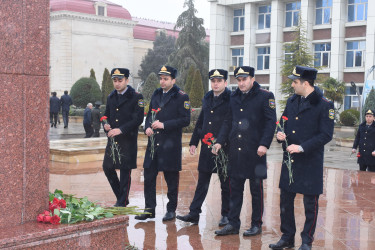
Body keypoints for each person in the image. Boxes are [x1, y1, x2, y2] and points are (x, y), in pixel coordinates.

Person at [269, 66, 334, 250]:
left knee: (310, 204)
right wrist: (280, 133)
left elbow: (326, 135)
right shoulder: (292, 101)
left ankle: (307, 240)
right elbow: (282, 122)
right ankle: (287, 236)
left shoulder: (324, 104)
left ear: (306, 83)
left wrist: (302, 147)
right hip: (290, 160)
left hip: (310, 161)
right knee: (285, 201)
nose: (292, 84)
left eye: (295, 82)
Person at [214, 66, 276, 236]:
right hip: (236, 150)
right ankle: (233, 224)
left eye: (244, 79)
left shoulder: (265, 96)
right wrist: (219, 141)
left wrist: (264, 144)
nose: (241, 83)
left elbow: (271, 122)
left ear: (252, 79)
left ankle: (256, 224)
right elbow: (228, 121)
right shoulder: (234, 97)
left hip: (256, 151)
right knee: (235, 189)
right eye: (238, 80)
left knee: (256, 191)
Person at [176, 69, 231, 226]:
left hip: (223, 147)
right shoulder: (207, 97)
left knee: (225, 183)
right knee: (202, 182)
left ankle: (226, 215)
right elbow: (202, 121)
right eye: (213, 81)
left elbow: (229, 122)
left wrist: (221, 141)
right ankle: (194, 213)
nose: (215, 84)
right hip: (207, 146)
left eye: (219, 81)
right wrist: (194, 141)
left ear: (225, 83)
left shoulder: (231, 99)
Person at [135, 66, 190, 221]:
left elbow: (185, 120)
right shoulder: (156, 93)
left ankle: (171, 210)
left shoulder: (181, 96)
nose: (162, 81)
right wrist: (147, 127)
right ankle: (149, 209)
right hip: (154, 144)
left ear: (173, 80)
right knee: (149, 176)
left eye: (166, 79)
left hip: (170, 145)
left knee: (171, 179)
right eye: (161, 78)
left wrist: (164, 125)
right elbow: (150, 113)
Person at [102, 68, 144, 207]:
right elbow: (106, 115)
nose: (117, 83)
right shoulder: (111, 97)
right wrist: (106, 125)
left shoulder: (136, 97)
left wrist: (121, 129)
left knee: (125, 171)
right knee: (107, 167)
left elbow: (137, 119)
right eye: (115, 80)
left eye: (120, 80)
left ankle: (121, 201)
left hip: (127, 140)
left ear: (127, 80)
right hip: (113, 139)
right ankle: (122, 197)